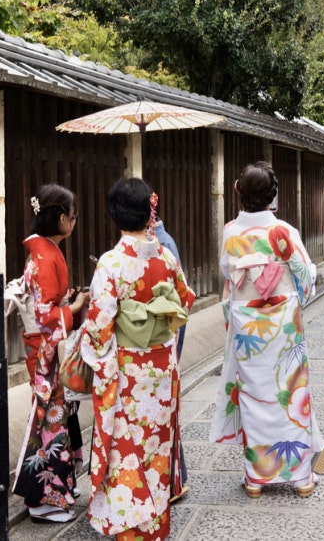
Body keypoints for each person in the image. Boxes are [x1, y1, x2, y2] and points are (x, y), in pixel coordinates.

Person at [81, 177, 195, 540]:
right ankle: (156, 530)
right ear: (150, 212)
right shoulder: (165, 256)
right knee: (156, 453)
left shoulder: (111, 264)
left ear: (115, 215)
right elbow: (185, 300)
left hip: (127, 373)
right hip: (161, 370)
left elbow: (98, 327)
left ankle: (130, 532)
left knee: (126, 452)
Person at [210, 161, 324, 499]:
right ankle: (301, 477)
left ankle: (256, 478)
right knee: (291, 394)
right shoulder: (284, 232)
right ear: (273, 196)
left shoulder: (232, 232)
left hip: (248, 328)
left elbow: (228, 277)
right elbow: (305, 280)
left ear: (238, 192)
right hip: (284, 326)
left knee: (255, 396)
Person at [12, 184, 89, 523]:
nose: (74, 222)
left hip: (47, 347)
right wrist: (75, 306)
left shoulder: (45, 251)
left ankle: (58, 491)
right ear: (61, 218)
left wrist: (67, 302)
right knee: (50, 418)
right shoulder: (43, 258)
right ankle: (43, 500)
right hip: (44, 349)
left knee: (59, 415)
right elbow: (45, 319)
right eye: (72, 216)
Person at [151, 208, 189, 502]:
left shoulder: (160, 248)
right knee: (163, 415)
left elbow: (181, 299)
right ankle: (173, 481)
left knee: (159, 417)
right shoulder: (161, 245)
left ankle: (168, 483)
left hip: (152, 347)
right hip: (156, 346)